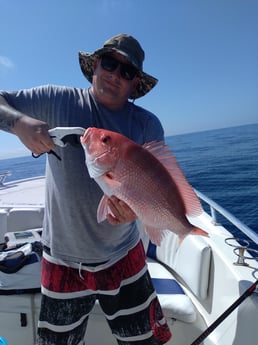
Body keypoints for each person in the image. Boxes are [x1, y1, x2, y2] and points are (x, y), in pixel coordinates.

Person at [0, 34, 172, 345]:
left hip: (125, 256)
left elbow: (154, 185)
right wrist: (19, 123)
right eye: (109, 63)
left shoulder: (148, 126)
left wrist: (136, 211)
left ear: (136, 84)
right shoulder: (57, 100)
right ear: (94, 65)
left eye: (127, 72)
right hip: (62, 260)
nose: (115, 75)